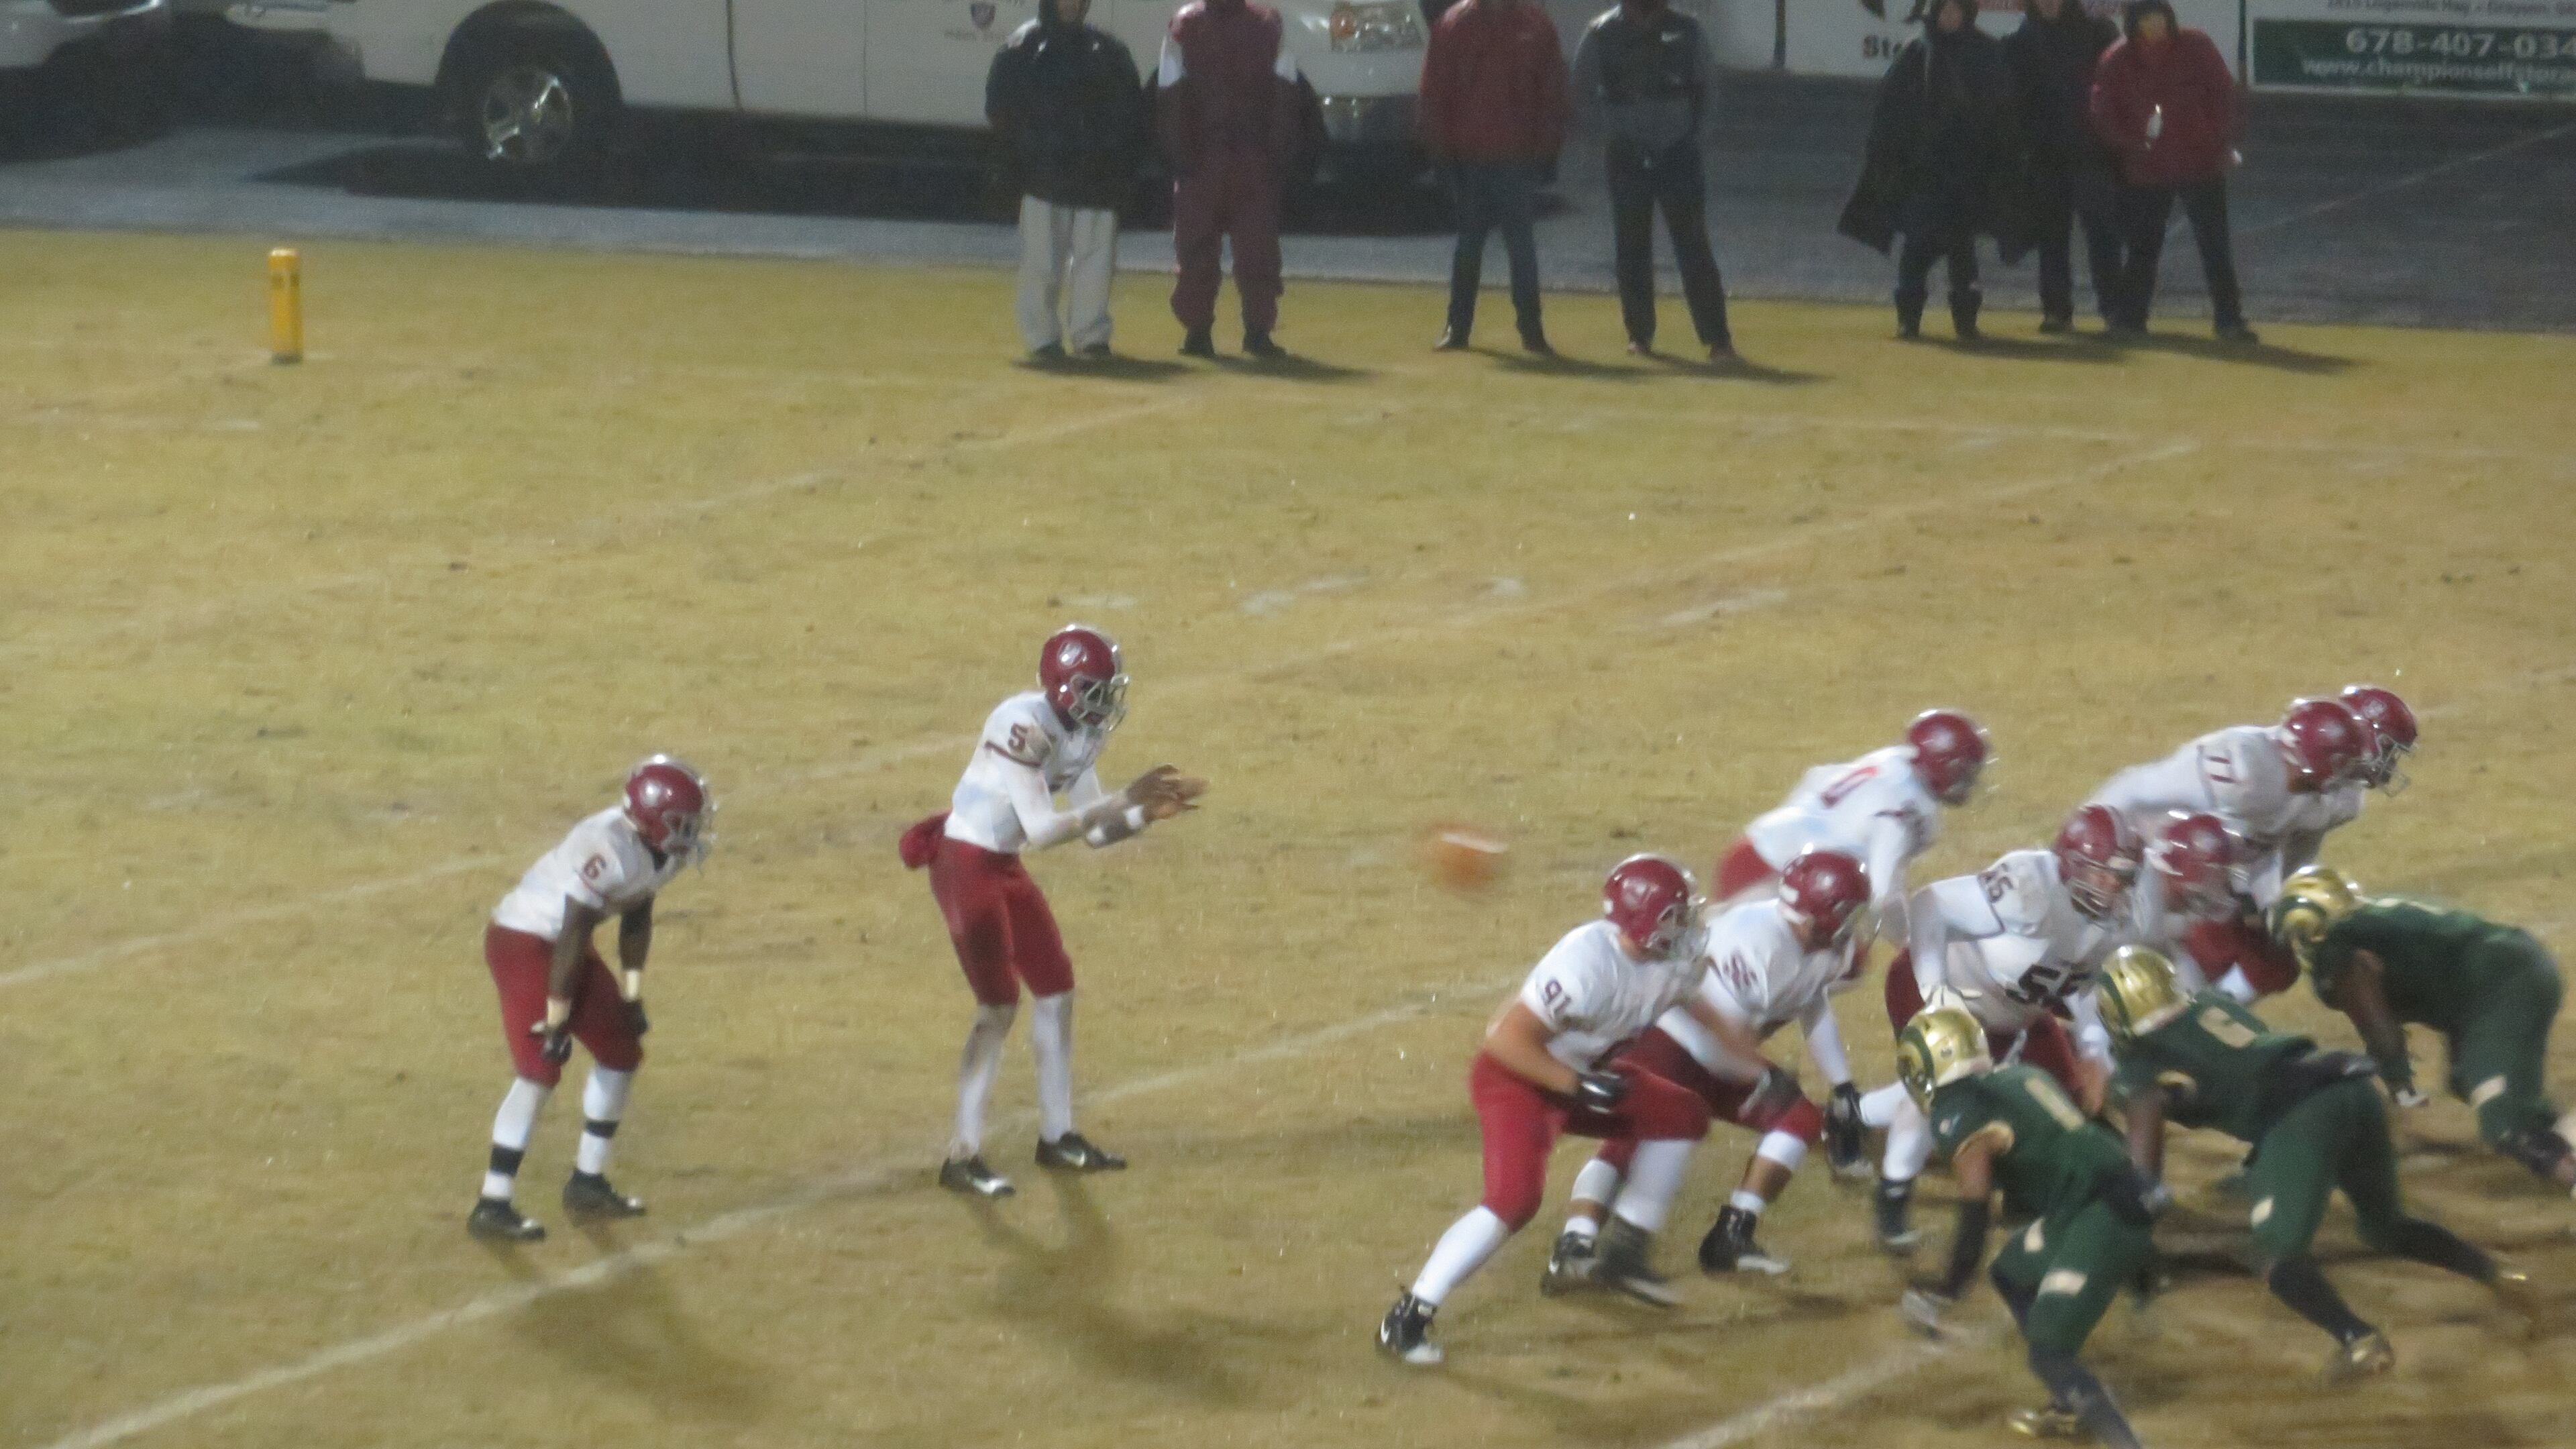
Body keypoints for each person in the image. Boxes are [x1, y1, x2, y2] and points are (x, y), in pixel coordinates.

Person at [1377, 855, 1763, 1365]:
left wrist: (1756, 1069)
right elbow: (1504, 1038)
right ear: (1641, 918)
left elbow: (1705, 1012)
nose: (1686, 926)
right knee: (1513, 1201)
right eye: (1674, 916)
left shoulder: (1671, 962)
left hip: (1583, 1078)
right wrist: (1575, 1083)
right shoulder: (1587, 960)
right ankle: (1410, 1315)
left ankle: (1624, 1252)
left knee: (1682, 1115)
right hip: (1518, 1079)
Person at [2097, 945, 2538, 1379]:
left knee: (2276, 1257)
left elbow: (2146, 1164)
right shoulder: (2212, 1005)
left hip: (2302, 1120)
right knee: (2385, 1226)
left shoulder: (2139, 1066)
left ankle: (2359, 1340)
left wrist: (2138, 1214)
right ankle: (2500, 1274)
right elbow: (2245, 1067)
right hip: (2349, 1088)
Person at [899, 625, 1207, 1198]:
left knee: (1056, 988)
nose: (1104, 701)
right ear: (1064, 684)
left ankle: (1058, 1136)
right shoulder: (1022, 724)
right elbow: (1042, 830)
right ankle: (962, 1155)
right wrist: (1128, 798)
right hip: (966, 863)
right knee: (998, 1006)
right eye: (1095, 689)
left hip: (1003, 862)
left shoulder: (1082, 733)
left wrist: (1145, 815)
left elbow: (1093, 829)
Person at [1857, 806, 2239, 1249]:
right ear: (2072, 864)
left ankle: (1857, 1114)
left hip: (2019, 1015)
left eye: (2122, 876)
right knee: (1950, 1097)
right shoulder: (2029, 887)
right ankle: (1894, 1195)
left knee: (2063, 1109)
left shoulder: (2122, 917)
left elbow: (2084, 981)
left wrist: (2093, 1048)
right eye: (2101, 874)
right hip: (1943, 990)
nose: (2112, 886)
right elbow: (1930, 905)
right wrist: (1937, 995)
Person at [1548, 849, 1874, 1283]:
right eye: (1847, 911)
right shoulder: (1754, 938)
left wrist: (1843, 1083)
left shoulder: (1825, 947)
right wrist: (1759, 1075)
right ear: (1821, 908)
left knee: (1799, 1119)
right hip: (1668, 1040)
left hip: (1726, 1055)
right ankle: (1576, 1243)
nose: (1854, 923)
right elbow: (1717, 1024)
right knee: (1634, 1139)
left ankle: (1733, 1234)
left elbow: (1812, 1002)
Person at [1711, 708, 1990, 1176]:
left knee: (1807, 975)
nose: (1970, 782)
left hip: (1767, 847)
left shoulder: (1896, 762)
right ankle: (1721, 1066)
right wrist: (1912, 941)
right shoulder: (1907, 806)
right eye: (1964, 770)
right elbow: (1883, 891)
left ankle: (1728, 1058)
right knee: (1787, 974)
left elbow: (1816, 777)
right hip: (1782, 873)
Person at [468, 756, 714, 1242]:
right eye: (682, 823)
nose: (691, 832)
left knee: (621, 1050)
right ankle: (492, 1202)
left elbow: (637, 915)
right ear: (651, 819)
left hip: (567, 946)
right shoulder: (605, 846)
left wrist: (632, 992)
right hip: (525, 940)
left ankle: (588, 1182)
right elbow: (575, 928)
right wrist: (556, 1018)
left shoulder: (660, 852)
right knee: (540, 1068)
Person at [1894, 1005, 2155, 1449]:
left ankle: (2124, 1442)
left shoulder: (1960, 1110)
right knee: (2012, 1272)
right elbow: (2074, 1140)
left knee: (2048, 1352)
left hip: (2099, 1213)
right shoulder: (2021, 1075)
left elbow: (1974, 1212)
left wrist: (1947, 1288)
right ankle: (2070, 1399)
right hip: (2112, 1191)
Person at [2271, 867, 2576, 1197]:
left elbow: (2380, 1028)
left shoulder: (2341, 945)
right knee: (2469, 1081)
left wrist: (2400, 1086)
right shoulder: (2373, 919)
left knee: (2505, 1126)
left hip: (2502, 991)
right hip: (2499, 978)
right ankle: (2565, 1135)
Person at [2086, 696, 2377, 1002]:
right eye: (2342, 764)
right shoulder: (2248, 769)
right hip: (2149, 856)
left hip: (2199, 873)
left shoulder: (2306, 797)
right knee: (2131, 955)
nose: (2348, 777)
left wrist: (2269, 903)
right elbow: (2162, 810)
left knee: (2271, 957)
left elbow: (2261, 848)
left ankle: (2196, 1016)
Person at [1840, 0, 2024, 341]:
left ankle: (1966, 322)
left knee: (1962, 253)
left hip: (1967, 171)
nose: (1950, 17)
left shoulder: (1985, 53)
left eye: (1956, 10)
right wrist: (1891, 157)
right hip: (1924, 172)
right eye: (1944, 10)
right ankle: (1908, 320)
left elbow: (2002, 114)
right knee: (1917, 248)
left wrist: (1998, 160)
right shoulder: (1917, 52)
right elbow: (1891, 109)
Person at [1570, 0, 1733, 360]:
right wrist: (1608, 135)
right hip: (1627, 154)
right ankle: (1639, 335)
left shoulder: (1688, 31)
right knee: (1632, 247)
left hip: (1678, 152)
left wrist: (1695, 140)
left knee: (1693, 246)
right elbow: (1580, 92)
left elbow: (1708, 89)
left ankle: (1717, 337)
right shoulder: (1601, 33)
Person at [986, 0, 1147, 362]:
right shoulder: (1023, 47)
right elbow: (1001, 109)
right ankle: (1041, 338)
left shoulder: (1109, 51)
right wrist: (1022, 158)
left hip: (1098, 177)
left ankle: (1091, 336)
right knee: (1041, 261)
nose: (1072, 3)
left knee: (1097, 262)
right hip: (1043, 175)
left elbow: (1130, 113)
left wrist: (1119, 163)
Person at [2089, 0, 2257, 342]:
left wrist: (2217, 140)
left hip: (2200, 163)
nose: (2155, 26)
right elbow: (2104, 111)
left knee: (2215, 247)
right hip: (2148, 169)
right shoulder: (2117, 59)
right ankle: (2130, 319)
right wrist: (2132, 145)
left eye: (2160, 19)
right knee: (2142, 248)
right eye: (2147, 20)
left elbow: (2223, 95)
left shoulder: (2197, 46)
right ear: (2134, 24)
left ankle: (2230, 320)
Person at [1417, 0, 1569, 354]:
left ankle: (1511, 328)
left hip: (1508, 157)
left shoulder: (1528, 24)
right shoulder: (1461, 24)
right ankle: (1474, 328)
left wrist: (1547, 148)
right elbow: (1435, 91)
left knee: (1505, 247)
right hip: (1478, 157)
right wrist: (1440, 151)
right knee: (1484, 246)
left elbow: (1552, 92)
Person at [1159, 0, 1307, 359]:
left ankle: (1207, 332)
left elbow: (1170, 90)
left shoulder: (1185, 25)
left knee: (1231, 248)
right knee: (1243, 248)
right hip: (1238, 157)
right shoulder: (1267, 24)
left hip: (1216, 157)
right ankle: (1248, 332)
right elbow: (1285, 89)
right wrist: (1277, 153)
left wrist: (1179, 153)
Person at [2005, 0, 2122, 332]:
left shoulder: (2099, 33)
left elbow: (2117, 87)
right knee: (2052, 238)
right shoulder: (2021, 41)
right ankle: (2057, 311)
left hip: (2092, 152)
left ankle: (2114, 310)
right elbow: (2015, 100)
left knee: (2102, 233)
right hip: (2046, 155)